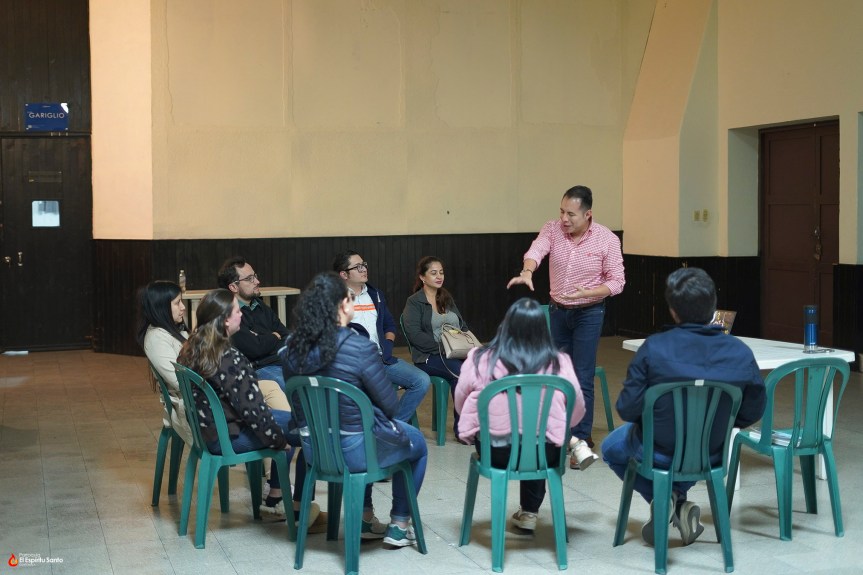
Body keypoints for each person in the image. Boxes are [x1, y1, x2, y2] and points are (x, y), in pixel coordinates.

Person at [601, 267, 766, 546]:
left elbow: (627, 409)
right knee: (688, 452)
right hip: (711, 452)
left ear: (673, 311)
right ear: (713, 306)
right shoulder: (739, 351)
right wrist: (719, 424)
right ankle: (677, 503)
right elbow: (754, 409)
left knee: (610, 449)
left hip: (659, 451)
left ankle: (667, 500)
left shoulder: (654, 348)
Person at [282, 272, 428, 548]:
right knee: (415, 443)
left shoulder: (292, 349)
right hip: (355, 453)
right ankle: (399, 523)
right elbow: (388, 406)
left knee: (362, 428)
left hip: (316, 450)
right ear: (342, 306)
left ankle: (364, 518)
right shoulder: (359, 347)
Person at [176, 289, 326, 531]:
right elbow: (254, 412)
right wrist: (279, 442)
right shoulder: (229, 357)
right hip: (229, 436)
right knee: (310, 433)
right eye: (237, 312)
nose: (241, 316)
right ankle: (300, 511)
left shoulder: (192, 348)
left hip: (211, 431)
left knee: (299, 422)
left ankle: (283, 501)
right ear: (225, 319)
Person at [506, 185, 625, 470]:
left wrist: (587, 293)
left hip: (590, 312)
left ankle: (581, 440)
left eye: (571, 214)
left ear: (588, 214)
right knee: (557, 374)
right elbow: (536, 250)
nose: (564, 219)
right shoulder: (552, 229)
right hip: (559, 311)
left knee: (582, 375)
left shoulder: (606, 239)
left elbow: (617, 281)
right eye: (561, 211)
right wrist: (527, 270)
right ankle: (558, 436)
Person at [454, 298, 586, 531]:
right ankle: (529, 512)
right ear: (543, 329)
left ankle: (527, 513)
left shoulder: (479, 358)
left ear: (505, 325)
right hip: (543, 453)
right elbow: (576, 411)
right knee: (537, 440)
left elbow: (460, 403)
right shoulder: (559, 362)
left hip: (494, 452)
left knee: (526, 439)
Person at [334, 250, 431, 422]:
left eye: (364, 264)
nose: (364, 269)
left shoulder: (375, 294)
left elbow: (389, 325)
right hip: (356, 363)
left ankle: (394, 427)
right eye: (358, 267)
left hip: (382, 359)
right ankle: (374, 430)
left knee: (421, 381)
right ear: (344, 274)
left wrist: (387, 344)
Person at [402, 256, 469, 438]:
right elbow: (415, 336)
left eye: (441, 272)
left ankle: (478, 425)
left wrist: (463, 345)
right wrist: (443, 348)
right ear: (423, 277)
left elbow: (462, 325)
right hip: (428, 357)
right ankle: (463, 430)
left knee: (480, 369)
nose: (439, 276)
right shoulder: (414, 302)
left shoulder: (446, 297)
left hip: (454, 353)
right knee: (461, 373)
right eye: (433, 273)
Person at [217, 256, 289, 389]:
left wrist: (263, 339)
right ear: (233, 286)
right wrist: (273, 336)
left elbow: (285, 335)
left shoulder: (260, 305)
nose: (257, 281)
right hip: (259, 370)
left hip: (282, 362)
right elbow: (255, 349)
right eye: (249, 279)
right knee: (294, 388)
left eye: (255, 276)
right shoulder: (230, 314)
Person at [137, 280, 194, 446]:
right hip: (189, 404)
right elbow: (179, 381)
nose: (183, 307)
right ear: (161, 308)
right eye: (177, 303)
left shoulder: (175, 330)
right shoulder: (156, 338)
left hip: (195, 394)